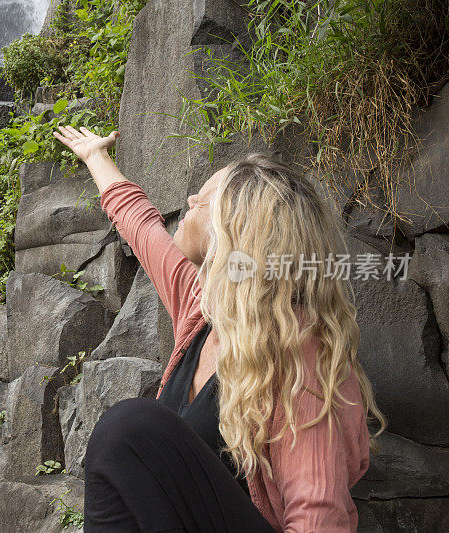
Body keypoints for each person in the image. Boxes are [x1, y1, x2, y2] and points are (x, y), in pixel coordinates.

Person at [52, 125, 387, 532]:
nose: (188, 200)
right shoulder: (203, 311)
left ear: (234, 229)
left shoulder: (300, 351)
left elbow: (319, 516)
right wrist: (95, 156)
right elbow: (141, 227)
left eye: (203, 199)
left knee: (128, 430)